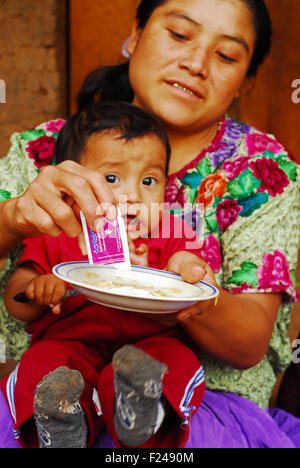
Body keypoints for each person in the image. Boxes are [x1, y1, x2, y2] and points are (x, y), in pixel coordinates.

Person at [0, 0, 300, 449]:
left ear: (246, 80)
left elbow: (246, 345)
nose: (196, 63)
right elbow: (24, 287)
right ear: (135, 35)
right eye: (180, 34)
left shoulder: (259, 173)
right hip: (58, 372)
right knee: (50, 379)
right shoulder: (49, 150)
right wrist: (13, 219)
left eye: (226, 55)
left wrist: (193, 288)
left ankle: (144, 408)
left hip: (203, 411)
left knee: (161, 372)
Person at [2, 101, 207, 449]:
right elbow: (16, 302)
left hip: (148, 348)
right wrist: (40, 288)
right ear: (72, 185)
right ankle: (63, 422)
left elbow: (192, 269)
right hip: (70, 347)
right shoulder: (56, 231)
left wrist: (191, 272)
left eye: (149, 180)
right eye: (111, 178)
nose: (132, 195)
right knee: (43, 363)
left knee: (174, 358)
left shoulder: (170, 231)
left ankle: (145, 413)